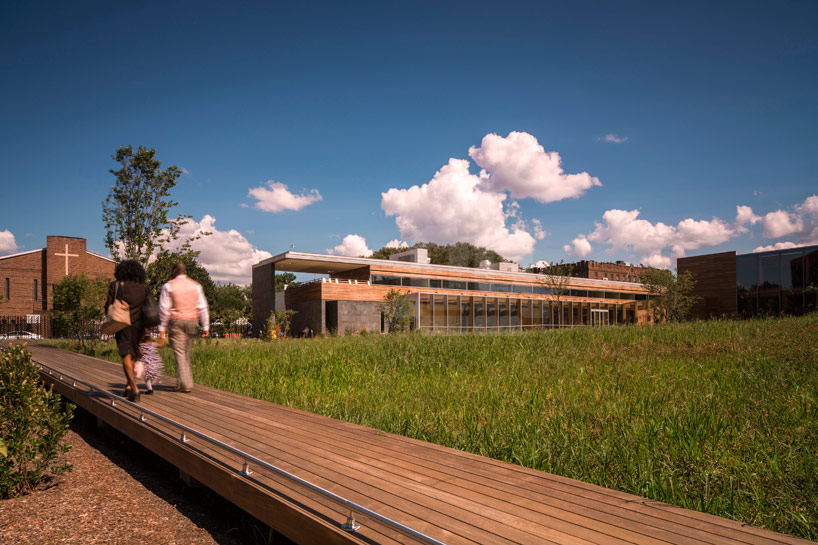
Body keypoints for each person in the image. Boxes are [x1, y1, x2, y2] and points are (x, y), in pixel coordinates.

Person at [157, 262, 209, 393]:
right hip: (192, 321)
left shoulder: (169, 286)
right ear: (185, 271)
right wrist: (206, 326)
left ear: (174, 271)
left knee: (180, 353)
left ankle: (185, 383)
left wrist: (161, 328)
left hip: (176, 321)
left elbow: (163, 308)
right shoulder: (196, 286)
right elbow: (202, 307)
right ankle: (182, 382)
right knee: (186, 352)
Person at [105, 260, 150, 402]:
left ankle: (134, 389)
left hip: (122, 324)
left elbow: (107, 306)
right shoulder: (144, 288)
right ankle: (128, 385)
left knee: (126, 355)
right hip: (139, 326)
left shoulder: (116, 285)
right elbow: (149, 309)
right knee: (134, 355)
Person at [137, 328, 163, 395]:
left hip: (146, 364)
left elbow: (140, 354)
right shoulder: (153, 344)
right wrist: (161, 337)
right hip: (154, 364)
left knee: (147, 379)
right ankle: (152, 385)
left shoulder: (141, 346)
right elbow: (161, 345)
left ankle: (150, 390)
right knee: (152, 376)